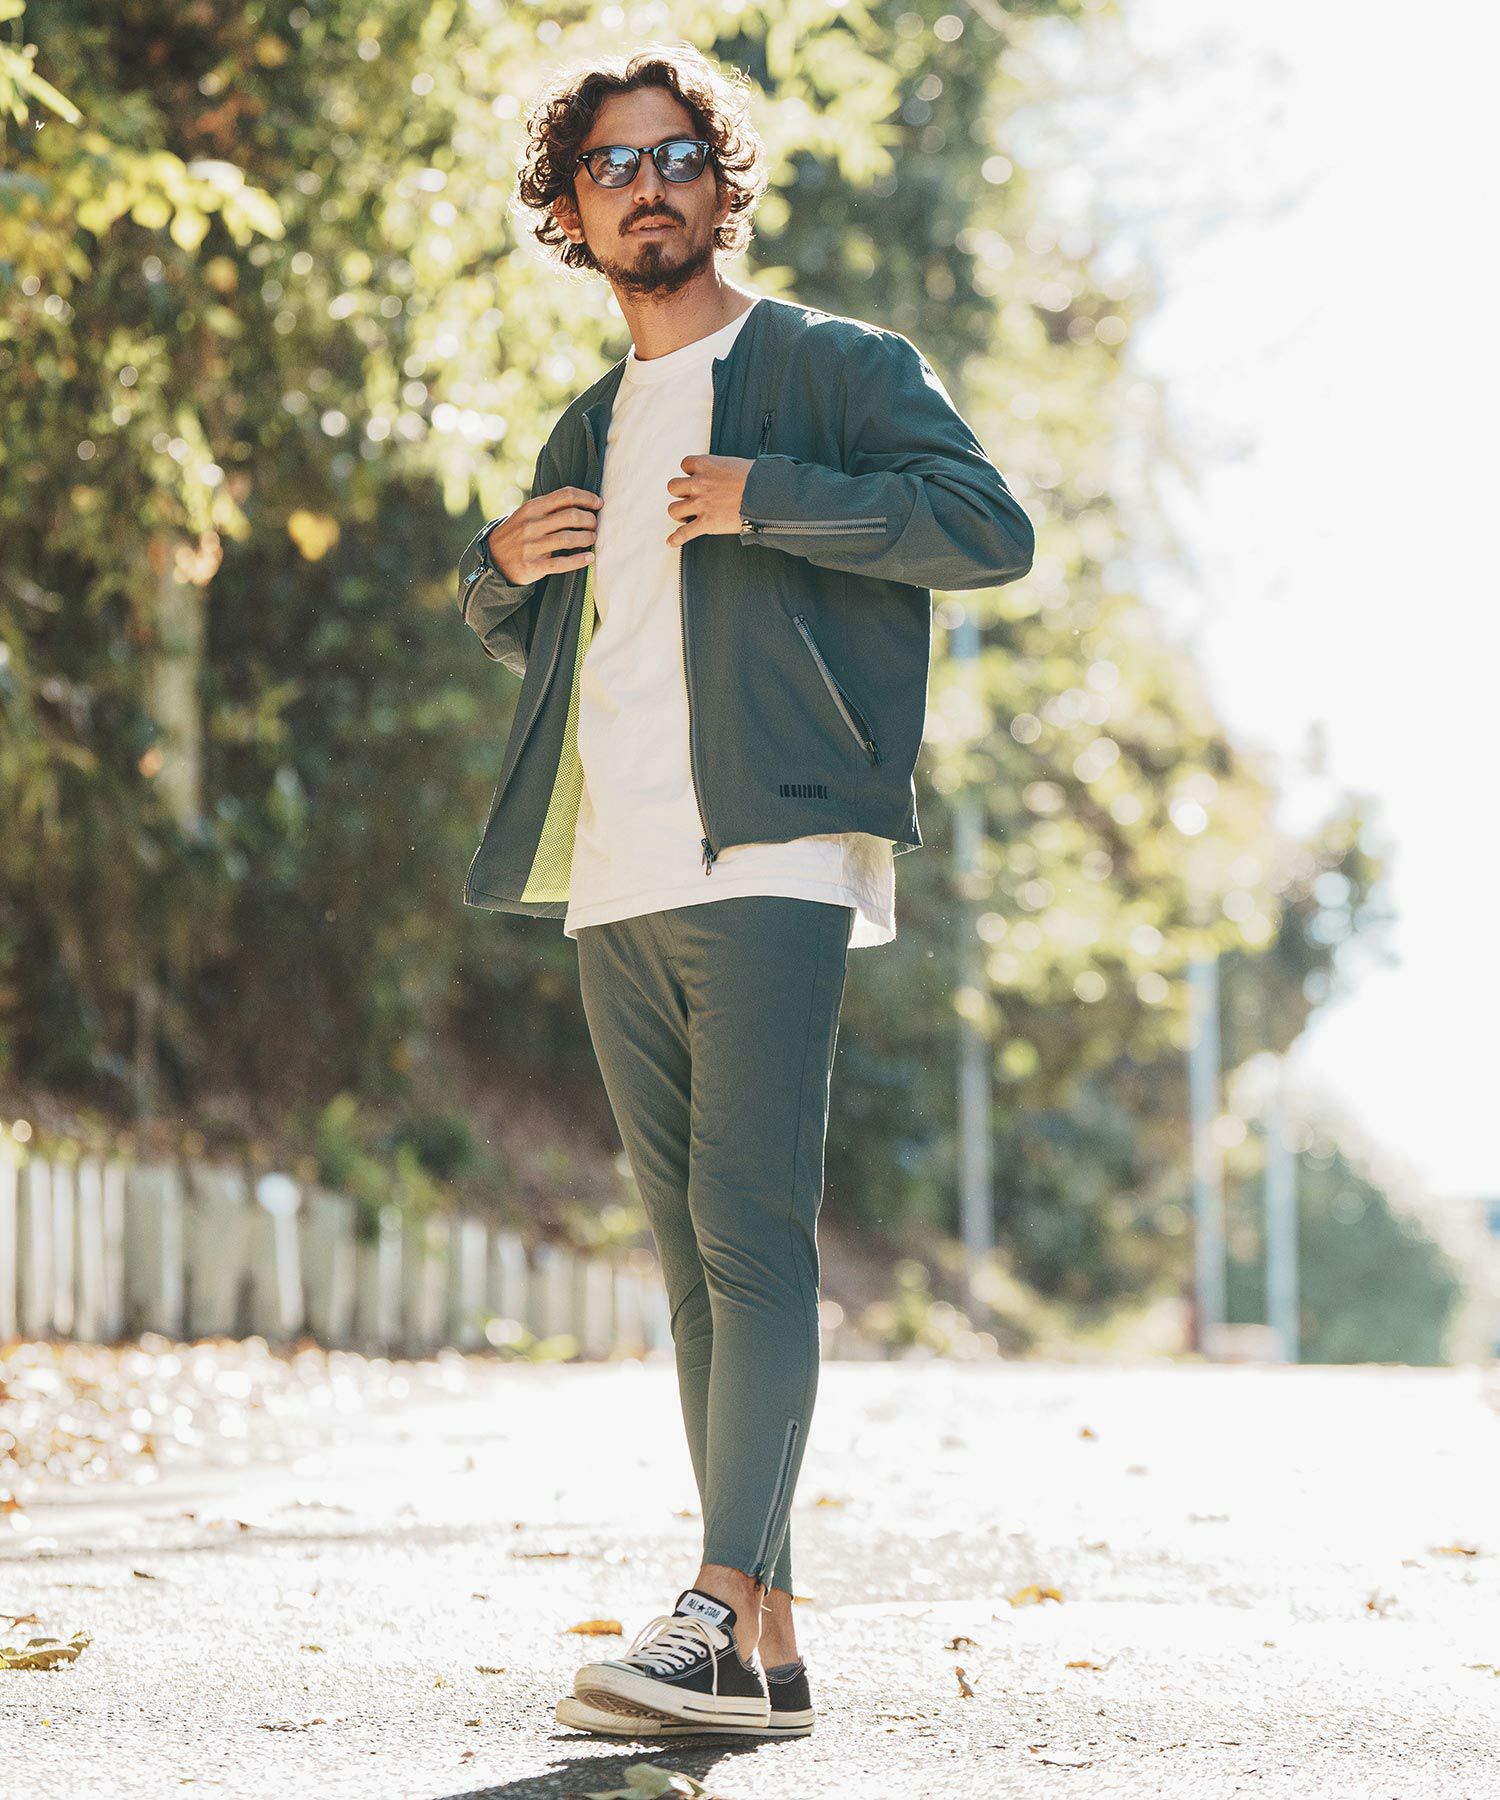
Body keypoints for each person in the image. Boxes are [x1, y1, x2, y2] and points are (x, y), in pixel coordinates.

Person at [454, 44, 1034, 1740]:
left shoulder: (834, 368)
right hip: (614, 872)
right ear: (569, 211)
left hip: (771, 847)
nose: (647, 186)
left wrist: (771, 500)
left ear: (722, 183)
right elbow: (562, 634)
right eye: (611, 166)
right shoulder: (588, 423)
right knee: (694, 1263)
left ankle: (711, 1606)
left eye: (676, 156)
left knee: (749, 1230)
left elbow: (986, 529)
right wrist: (489, 572)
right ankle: (762, 1647)